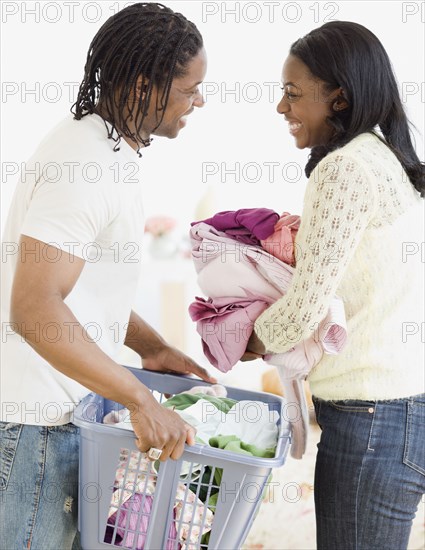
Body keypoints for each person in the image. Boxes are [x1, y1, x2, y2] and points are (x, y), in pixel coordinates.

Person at [0, 3, 213, 549]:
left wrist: (154, 347)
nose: (200, 101)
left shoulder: (108, 150)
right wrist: (141, 401)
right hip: (37, 429)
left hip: (64, 419)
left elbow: (88, 292)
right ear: (145, 85)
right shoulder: (87, 162)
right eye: (190, 89)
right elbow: (36, 308)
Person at [245, 21, 425, 550]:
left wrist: (246, 337)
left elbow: (306, 305)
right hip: (404, 410)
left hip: (369, 421)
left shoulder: (343, 170)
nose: (282, 107)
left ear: (339, 99)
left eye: (294, 93)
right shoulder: (388, 160)